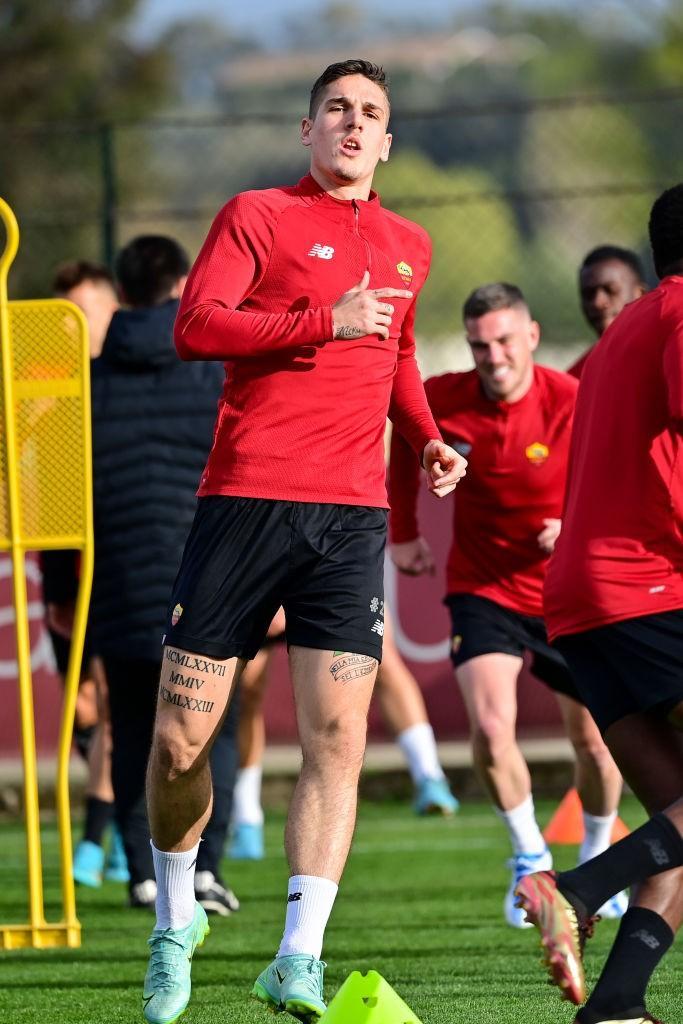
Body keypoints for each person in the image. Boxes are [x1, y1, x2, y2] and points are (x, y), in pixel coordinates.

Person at [141, 58, 466, 1024]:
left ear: (388, 139)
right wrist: (323, 319)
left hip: (349, 517)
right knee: (176, 738)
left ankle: (298, 953)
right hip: (243, 501)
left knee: (337, 737)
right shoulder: (257, 214)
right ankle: (173, 918)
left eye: (370, 114)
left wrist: (429, 439)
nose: (354, 126)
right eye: (337, 110)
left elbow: (399, 354)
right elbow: (196, 327)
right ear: (307, 128)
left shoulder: (410, 242)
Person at [389, 282, 626, 929]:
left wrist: (572, 524)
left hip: (565, 592)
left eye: (501, 341)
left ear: (530, 337)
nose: (491, 356)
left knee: (599, 744)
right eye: (477, 345)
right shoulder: (443, 398)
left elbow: (616, 479)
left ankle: (598, 862)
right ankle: (528, 859)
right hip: (481, 588)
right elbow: (400, 440)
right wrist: (402, 531)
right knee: (492, 729)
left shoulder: (571, 400)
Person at [515, 185, 683, 1024]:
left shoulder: (628, 326)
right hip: (646, 586)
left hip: (584, 602)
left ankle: (615, 1004)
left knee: (679, 816)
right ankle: (576, 887)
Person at [88, 235, 239, 916]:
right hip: (202, 574)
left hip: (116, 576)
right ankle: (203, 869)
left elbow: (67, 491)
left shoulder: (88, 381)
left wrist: (66, 592)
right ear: (183, 285)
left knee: (129, 722)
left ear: (122, 293)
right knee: (214, 727)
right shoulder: (214, 372)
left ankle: (144, 873)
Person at [229, 607, 458, 860]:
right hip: (267, 583)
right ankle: (246, 818)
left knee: (380, 657)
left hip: (331, 577)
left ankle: (429, 777)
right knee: (247, 689)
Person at [42, 260, 127, 887]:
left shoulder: (133, 378)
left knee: (117, 699)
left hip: (125, 563)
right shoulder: (47, 385)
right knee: (87, 708)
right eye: (65, 313)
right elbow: (40, 482)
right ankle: (122, 824)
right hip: (70, 564)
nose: (75, 325)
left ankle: (101, 836)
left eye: (85, 311)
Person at [568, 245, 647, 379]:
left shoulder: (668, 353)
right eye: (588, 294)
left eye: (611, 290)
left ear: (640, 294)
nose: (597, 302)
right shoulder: (578, 379)